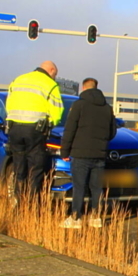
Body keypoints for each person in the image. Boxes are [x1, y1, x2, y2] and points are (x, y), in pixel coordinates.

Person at [59, 78, 116, 229]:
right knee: (96, 187)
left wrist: (64, 151)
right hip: (99, 154)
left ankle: (76, 218)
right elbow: (112, 132)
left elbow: (70, 129)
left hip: (80, 153)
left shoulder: (79, 105)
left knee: (79, 186)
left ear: (84, 88)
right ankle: (95, 217)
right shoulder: (107, 108)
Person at [5, 60, 64, 200]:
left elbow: (9, 104)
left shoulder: (18, 80)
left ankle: (19, 202)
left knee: (19, 168)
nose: (54, 77)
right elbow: (57, 111)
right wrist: (50, 124)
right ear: (51, 70)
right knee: (35, 169)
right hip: (35, 131)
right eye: (55, 74)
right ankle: (31, 206)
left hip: (14, 129)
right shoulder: (50, 84)